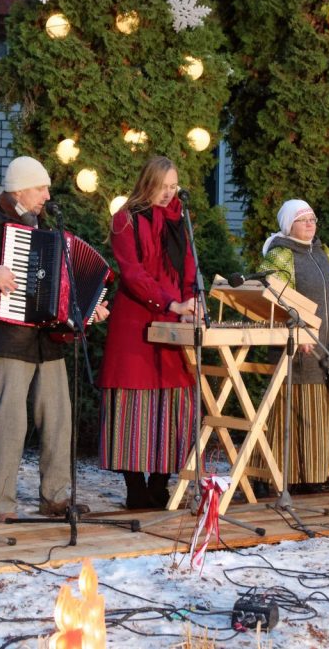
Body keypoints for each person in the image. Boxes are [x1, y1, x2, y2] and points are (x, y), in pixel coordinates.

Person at [0, 156, 108, 522]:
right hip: (7, 340)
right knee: (11, 422)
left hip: (47, 341)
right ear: (18, 190)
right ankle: (2, 504)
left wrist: (86, 309)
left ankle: (56, 497)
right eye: (40, 188)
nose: (47, 196)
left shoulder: (43, 228)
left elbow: (59, 287)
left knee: (58, 418)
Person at [98, 156, 197, 509]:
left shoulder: (179, 221)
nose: (168, 194)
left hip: (175, 319)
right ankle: (135, 486)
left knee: (172, 402)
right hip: (136, 322)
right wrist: (170, 303)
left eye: (173, 187)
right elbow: (133, 272)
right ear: (147, 183)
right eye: (162, 187)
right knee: (133, 406)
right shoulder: (126, 218)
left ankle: (160, 481)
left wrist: (190, 302)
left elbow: (189, 270)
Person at [257, 199, 329, 489]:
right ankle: (294, 477)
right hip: (298, 348)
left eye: (312, 219)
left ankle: (320, 474)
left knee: (323, 413)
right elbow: (274, 299)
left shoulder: (323, 252)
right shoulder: (280, 254)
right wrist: (299, 329)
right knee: (301, 412)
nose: (310, 224)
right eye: (303, 219)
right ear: (289, 225)